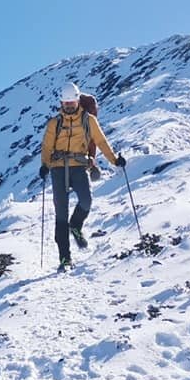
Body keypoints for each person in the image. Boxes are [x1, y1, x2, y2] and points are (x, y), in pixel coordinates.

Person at [39, 82, 126, 269]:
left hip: (79, 166)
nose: (69, 106)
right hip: (58, 168)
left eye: (72, 102)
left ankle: (76, 225)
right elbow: (47, 146)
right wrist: (45, 165)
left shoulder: (89, 120)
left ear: (77, 100)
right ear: (61, 103)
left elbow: (101, 141)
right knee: (60, 214)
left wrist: (114, 160)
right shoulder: (55, 123)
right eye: (66, 103)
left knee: (86, 201)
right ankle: (65, 258)